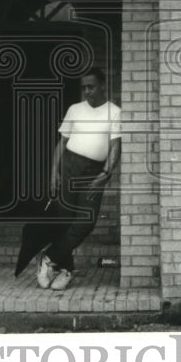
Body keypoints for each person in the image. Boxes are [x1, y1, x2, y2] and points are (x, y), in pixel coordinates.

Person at [37, 67, 121, 291]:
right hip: (69, 167)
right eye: (84, 87)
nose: (87, 91)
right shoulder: (74, 109)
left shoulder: (114, 112)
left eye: (91, 86)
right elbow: (61, 144)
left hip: (93, 173)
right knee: (65, 221)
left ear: (102, 85)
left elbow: (115, 147)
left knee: (85, 222)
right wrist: (54, 172)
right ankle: (66, 269)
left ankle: (49, 257)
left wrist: (105, 174)